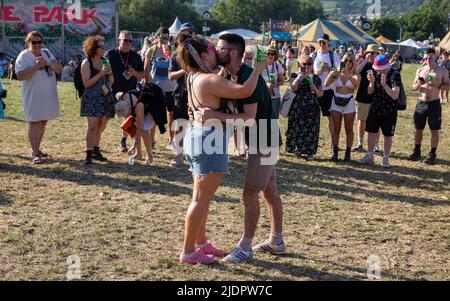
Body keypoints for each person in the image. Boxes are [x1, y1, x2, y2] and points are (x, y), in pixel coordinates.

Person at [195, 33, 284, 264]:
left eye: (220, 48)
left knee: (251, 192)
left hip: (263, 137)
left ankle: (245, 246)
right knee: (270, 190)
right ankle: (276, 240)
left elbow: (249, 118)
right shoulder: (227, 74)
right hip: (259, 136)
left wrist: (213, 116)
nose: (216, 50)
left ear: (234, 52)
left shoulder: (246, 77)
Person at [176, 36, 265, 265]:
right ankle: (188, 252)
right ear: (204, 56)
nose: (216, 51)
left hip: (197, 135)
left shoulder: (192, 76)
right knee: (199, 199)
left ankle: (201, 243)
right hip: (209, 140)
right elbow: (245, 90)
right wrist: (259, 68)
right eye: (212, 49)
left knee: (201, 198)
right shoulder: (209, 80)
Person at [15, 31, 63, 164]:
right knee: (35, 122)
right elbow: (19, 76)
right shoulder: (23, 56)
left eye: (39, 42)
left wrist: (48, 64)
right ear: (28, 43)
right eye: (34, 42)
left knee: (43, 122)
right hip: (33, 95)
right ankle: (35, 153)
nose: (37, 45)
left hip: (48, 94)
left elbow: (59, 69)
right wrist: (36, 66)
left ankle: (37, 149)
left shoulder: (47, 52)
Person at [106, 30, 146, 153]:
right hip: (114, 90)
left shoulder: (135, 56)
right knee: (122, 115)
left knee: (128, 115)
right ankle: (129, 140)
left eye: (130, 41)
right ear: (119, 40)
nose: (128, 43)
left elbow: (143, 74)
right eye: (125, 40)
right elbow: (104, 70)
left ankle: (125, 140)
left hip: (131, 90)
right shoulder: (111, 54)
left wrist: (135, 73)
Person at [408, 48, 450, 165]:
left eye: (430, 58)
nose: (427, 60)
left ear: (435, 57)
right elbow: (413, 86)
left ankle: (432, 154)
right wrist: (418, 84)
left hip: (434, 103)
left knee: (434, 130)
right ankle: (417, 151)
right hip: (421, 103)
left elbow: (448, 86)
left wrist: (439, 85)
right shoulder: (421, 70)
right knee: (418, 129)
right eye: (426, 58)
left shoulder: (442, 71)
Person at [357, 55, 400, 168]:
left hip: (389, 110)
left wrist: (385, 85)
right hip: (375, 107)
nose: (376, 71)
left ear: (385, 67)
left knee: (387, 135)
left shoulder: (394, 74)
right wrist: (371, 82)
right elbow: (370, 92)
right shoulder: (376, 73)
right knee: (371, 132)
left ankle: (385, 158)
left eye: (378, 69)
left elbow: (395, 95)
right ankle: (370, 156)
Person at [80, 35, 115, 165]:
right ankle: (88, 154)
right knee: (93, 126)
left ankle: (96, 150)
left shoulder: (105, 61)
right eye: (100, 46)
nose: (103, 49)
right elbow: (86, 84)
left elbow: (111, 81)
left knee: (101, 124)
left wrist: (109, 72)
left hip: (104, 96)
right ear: (93, 48)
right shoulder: (86, 62)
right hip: (91, 98)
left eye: (104, 46)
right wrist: (100, 73)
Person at [144, 27, 176, 151]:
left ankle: (171, 140)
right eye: (162, 37)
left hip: (170, 87)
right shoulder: (151, 51)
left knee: (171, 114)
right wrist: (147, 86)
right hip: (156, 88)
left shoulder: (172, 50)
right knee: (154, 115)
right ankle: (151, 140)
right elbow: (146, 70)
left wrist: (169, 53)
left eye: (166, 38)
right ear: (157, 37)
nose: (164, 40)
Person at [286, 55, 323, 161]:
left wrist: (315, 88)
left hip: (312, 107)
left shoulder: (316, 78)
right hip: (298, 107)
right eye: (304, 64)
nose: (307, 66)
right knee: (297, 128)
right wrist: (298, 78)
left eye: (309, 64)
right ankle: (297, 150)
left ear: (312, 65)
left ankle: (310, 152)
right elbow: (293, 88)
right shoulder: (295, 75)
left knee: (311, 129)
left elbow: (320, 94)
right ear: (300, 65)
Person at [325, 54, 360, 162]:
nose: (348, 63)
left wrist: (348, 74)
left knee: (349, 129)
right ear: (342, 61)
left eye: (350, 61)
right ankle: (335, 152)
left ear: (353, 63)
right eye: (346, 60)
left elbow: (356, 84)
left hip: (349, 102)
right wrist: (335, 73)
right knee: (336, 129)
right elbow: (326, 83)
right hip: (336, 101)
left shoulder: (355, 75)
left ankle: (347, 153)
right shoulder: (337, 73)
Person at [115, 89, 157, 165]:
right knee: (132, 126)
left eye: (127, 115)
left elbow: (140, 128)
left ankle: (149, 155)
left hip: (152, 107)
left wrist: (135, 143)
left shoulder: (138, 107)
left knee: (144, 130)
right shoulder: (123, 98)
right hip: (139, 104)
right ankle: (138, 154)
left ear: (129, 109)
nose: (126, 117)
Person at [168, 31, 192, 167]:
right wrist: (184, 70)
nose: (184, 46)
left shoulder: (196, 56)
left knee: (198, 125)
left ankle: (194, 154)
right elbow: (170, 76)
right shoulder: (174, 56)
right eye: (182, 44)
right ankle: (179, 155)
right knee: (180, 125)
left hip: (196, 94)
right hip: (181, 94)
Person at [314, 34, 340, 146]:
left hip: (328, 90)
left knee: (330, 117)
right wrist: (317, 72)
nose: (321, 45)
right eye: (319, 42)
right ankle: (313, 140)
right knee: (313, 116)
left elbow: (339, 73)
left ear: (328, 43)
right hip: (316, 89)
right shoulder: (315, 54)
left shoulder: (333, 55)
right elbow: (313, 71)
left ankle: (333, 141)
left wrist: (330, 70)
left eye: (323, 42)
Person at [353, 44, 376, 152]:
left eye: (373, 53)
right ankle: (360, 143)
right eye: (368, 52)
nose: (370, 55)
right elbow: (356, 71)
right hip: (362, 95)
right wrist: (365, 61)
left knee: (376, 122)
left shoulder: (379, 65)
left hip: (376, 97)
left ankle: (375, 144)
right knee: (361, 120)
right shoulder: (364, 64)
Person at [262, 47, 284, 119]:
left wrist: (275, 84)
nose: (270, 55)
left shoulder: (277, 65)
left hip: (275, 97)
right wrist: (266, 85)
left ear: (275, 55)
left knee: (274, 119)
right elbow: (256, 81)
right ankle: (264, 130)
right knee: (263, 118)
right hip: (263, 96)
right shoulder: (260, 65)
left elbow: (282, 81)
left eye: (272, 54)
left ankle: (273, 131)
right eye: (268, 53)